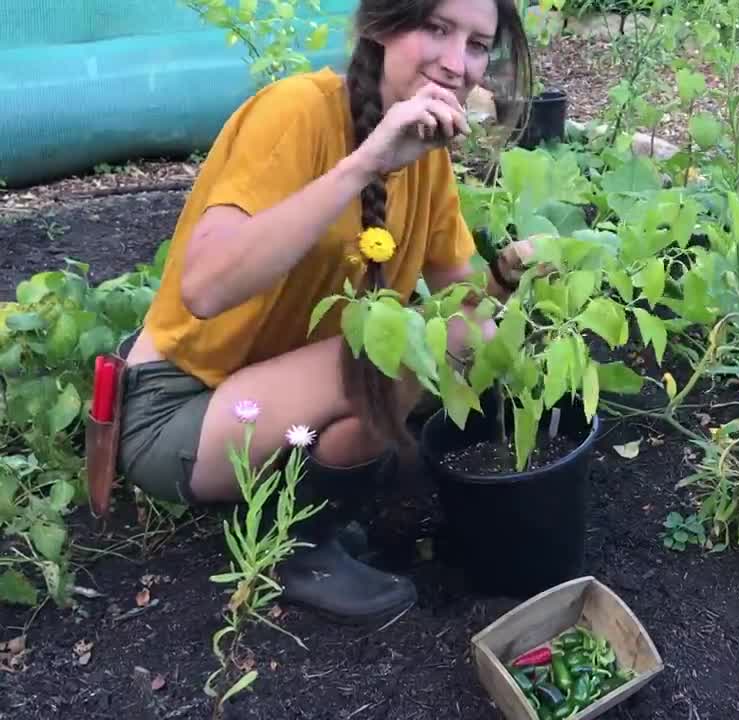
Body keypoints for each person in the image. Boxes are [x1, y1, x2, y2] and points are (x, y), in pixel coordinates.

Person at [115, 0, 537, 624]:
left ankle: (312, 508)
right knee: (404, 344)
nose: (456, 64)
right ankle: (296, 549)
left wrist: (507, 274)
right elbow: (203, 289)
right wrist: (364, 163)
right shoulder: (298, 112)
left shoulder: (428, 155)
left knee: (452, 334)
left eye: (477, 44)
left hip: (269, 388)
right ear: (383, 24)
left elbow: (466, 309)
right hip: (177, 408)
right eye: (437, 29)